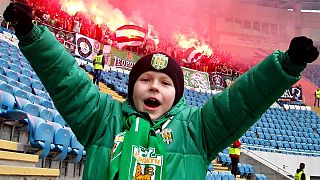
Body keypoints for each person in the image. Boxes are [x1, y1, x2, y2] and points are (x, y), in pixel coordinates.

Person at [3, 2, 319, 180]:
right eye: (146, 79)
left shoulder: (199, 130)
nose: (155, 85)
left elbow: (244, 99)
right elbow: (67, 80)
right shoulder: (103, 118)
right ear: (131, 88)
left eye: (165, 82)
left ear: (178, 95)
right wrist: (32, 34)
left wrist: (285, 65)